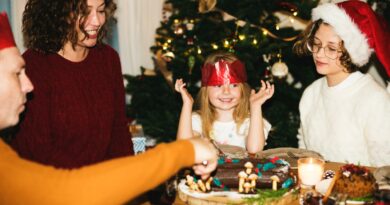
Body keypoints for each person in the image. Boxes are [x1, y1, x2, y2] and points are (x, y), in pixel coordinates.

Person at [0, 12, 218, 204]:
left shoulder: (107, 59)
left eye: (102, 10)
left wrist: (136, 195)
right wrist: (184, 151)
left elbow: (119, 137)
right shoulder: (38, 65)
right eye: (16, 73)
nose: (28, 86)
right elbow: (66, 189)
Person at [11, 0, 134, 168]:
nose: (97, 21)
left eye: (101, 10)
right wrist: (95, 184)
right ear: (58, 14)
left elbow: (119, 130)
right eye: (84, 12)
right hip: (55, 185)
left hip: (104, 183)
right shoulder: (34, 66)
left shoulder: (109, 59)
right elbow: (39, 151)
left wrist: (126, 176)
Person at [294, 0, 390, 167]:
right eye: (316, 44)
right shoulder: (311, 93)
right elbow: (305, 151)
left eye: (331, 48)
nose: (319, 54)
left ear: (351, 52)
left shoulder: (374, 99)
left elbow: (384, 166)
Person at [175, 51, 274, 154]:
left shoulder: (252, 121)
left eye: (234, 85)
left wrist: (256, 107)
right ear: (206, 91)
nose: (226, 92)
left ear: (242, 89)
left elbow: (255, 149)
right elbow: (184, 147)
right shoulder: (198, 121)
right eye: (218, 85)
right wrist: (187, 104)